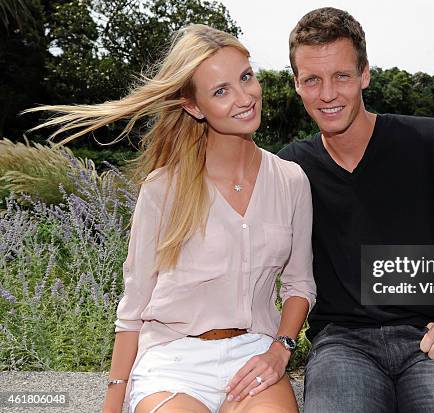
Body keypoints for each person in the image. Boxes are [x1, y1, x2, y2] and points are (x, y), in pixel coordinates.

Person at [24, 24, 315, 413]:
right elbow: (133, 308)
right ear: (193, 106)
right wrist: (113, 402)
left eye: (246, 77)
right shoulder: (164, 188)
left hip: (253, 354)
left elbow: (300, 284)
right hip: (173, 362)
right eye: (221, 91)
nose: (245, 98)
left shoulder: (291, 180)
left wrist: (281, 349)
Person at [278, 7, 434, 413]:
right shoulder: (289, 167)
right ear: (297, 85)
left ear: (365, 74)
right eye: (312, 80)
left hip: (426, 336)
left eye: (342, 76)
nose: (328, 94)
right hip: (341, 343)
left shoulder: (427, 141)